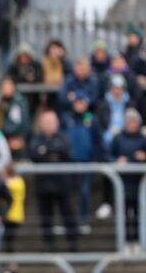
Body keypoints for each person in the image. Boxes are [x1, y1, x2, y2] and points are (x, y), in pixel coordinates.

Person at [29, 111, 77, 252]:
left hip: (62, 185)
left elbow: (65, 151)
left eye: (52, 122)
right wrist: (53, 152)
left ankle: (72, 243)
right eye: (47, 122)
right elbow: (34, 154)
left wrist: (46, 151)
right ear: (41, 124)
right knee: (46, 218)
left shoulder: (63, 136)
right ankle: (48, 245)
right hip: (44, 186)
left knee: (68, 214)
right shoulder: (36, 138)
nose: (50, 125)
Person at [61, 91, 102, 231]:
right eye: (77, 102)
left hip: (86, 163)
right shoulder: (67, 118)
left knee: (85, 192)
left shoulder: (92, 119)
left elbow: (98, 141)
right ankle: (69, 223)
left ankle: (84, 220)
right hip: (69, 163)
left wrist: (94, 159)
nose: (79, 105)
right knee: (68, 194)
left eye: (82, 102)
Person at [110, 108, 146, 249]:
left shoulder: (143, 139)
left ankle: (138, 241)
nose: (132, 124)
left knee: (139, 214)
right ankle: (125, 242)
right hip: (122, 183)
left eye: (134, 122)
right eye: (129, 122)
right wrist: (117, 160)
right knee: (123, 214)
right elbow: (108, 155)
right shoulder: (118, 138)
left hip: (139, 184)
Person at [0, 76, 30, 160]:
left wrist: (20, 138)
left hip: (17, 139)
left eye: (8, 85)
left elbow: (23, 123)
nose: (6, 89)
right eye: (4, 86)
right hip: (2, 140)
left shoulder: (19, 102)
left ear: (13, 87)